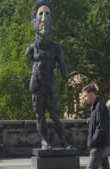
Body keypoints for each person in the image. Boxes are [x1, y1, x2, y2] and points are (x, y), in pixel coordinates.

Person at [25, 0, 73, 150]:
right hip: (37, 85)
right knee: (40, 116)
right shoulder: (32, 48)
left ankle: (64, 141)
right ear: (35, 20)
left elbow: (62, 66)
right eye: (41, 14)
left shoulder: (56, 48)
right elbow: (29, 56)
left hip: (49, 85)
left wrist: (65, 72)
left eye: (47, 14)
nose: (44, 18)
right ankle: (44, 141)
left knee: (55, 115)